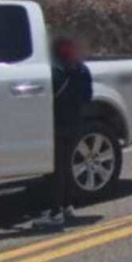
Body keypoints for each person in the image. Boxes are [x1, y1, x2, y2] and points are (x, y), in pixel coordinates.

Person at [31, 37, 93, 230]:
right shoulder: (82, 70)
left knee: (55, 170)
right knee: (65, 166)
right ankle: (66, 206)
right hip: (75, 122)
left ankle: (55, 212)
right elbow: (88, 96)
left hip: (56, 123)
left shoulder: (55, 72)